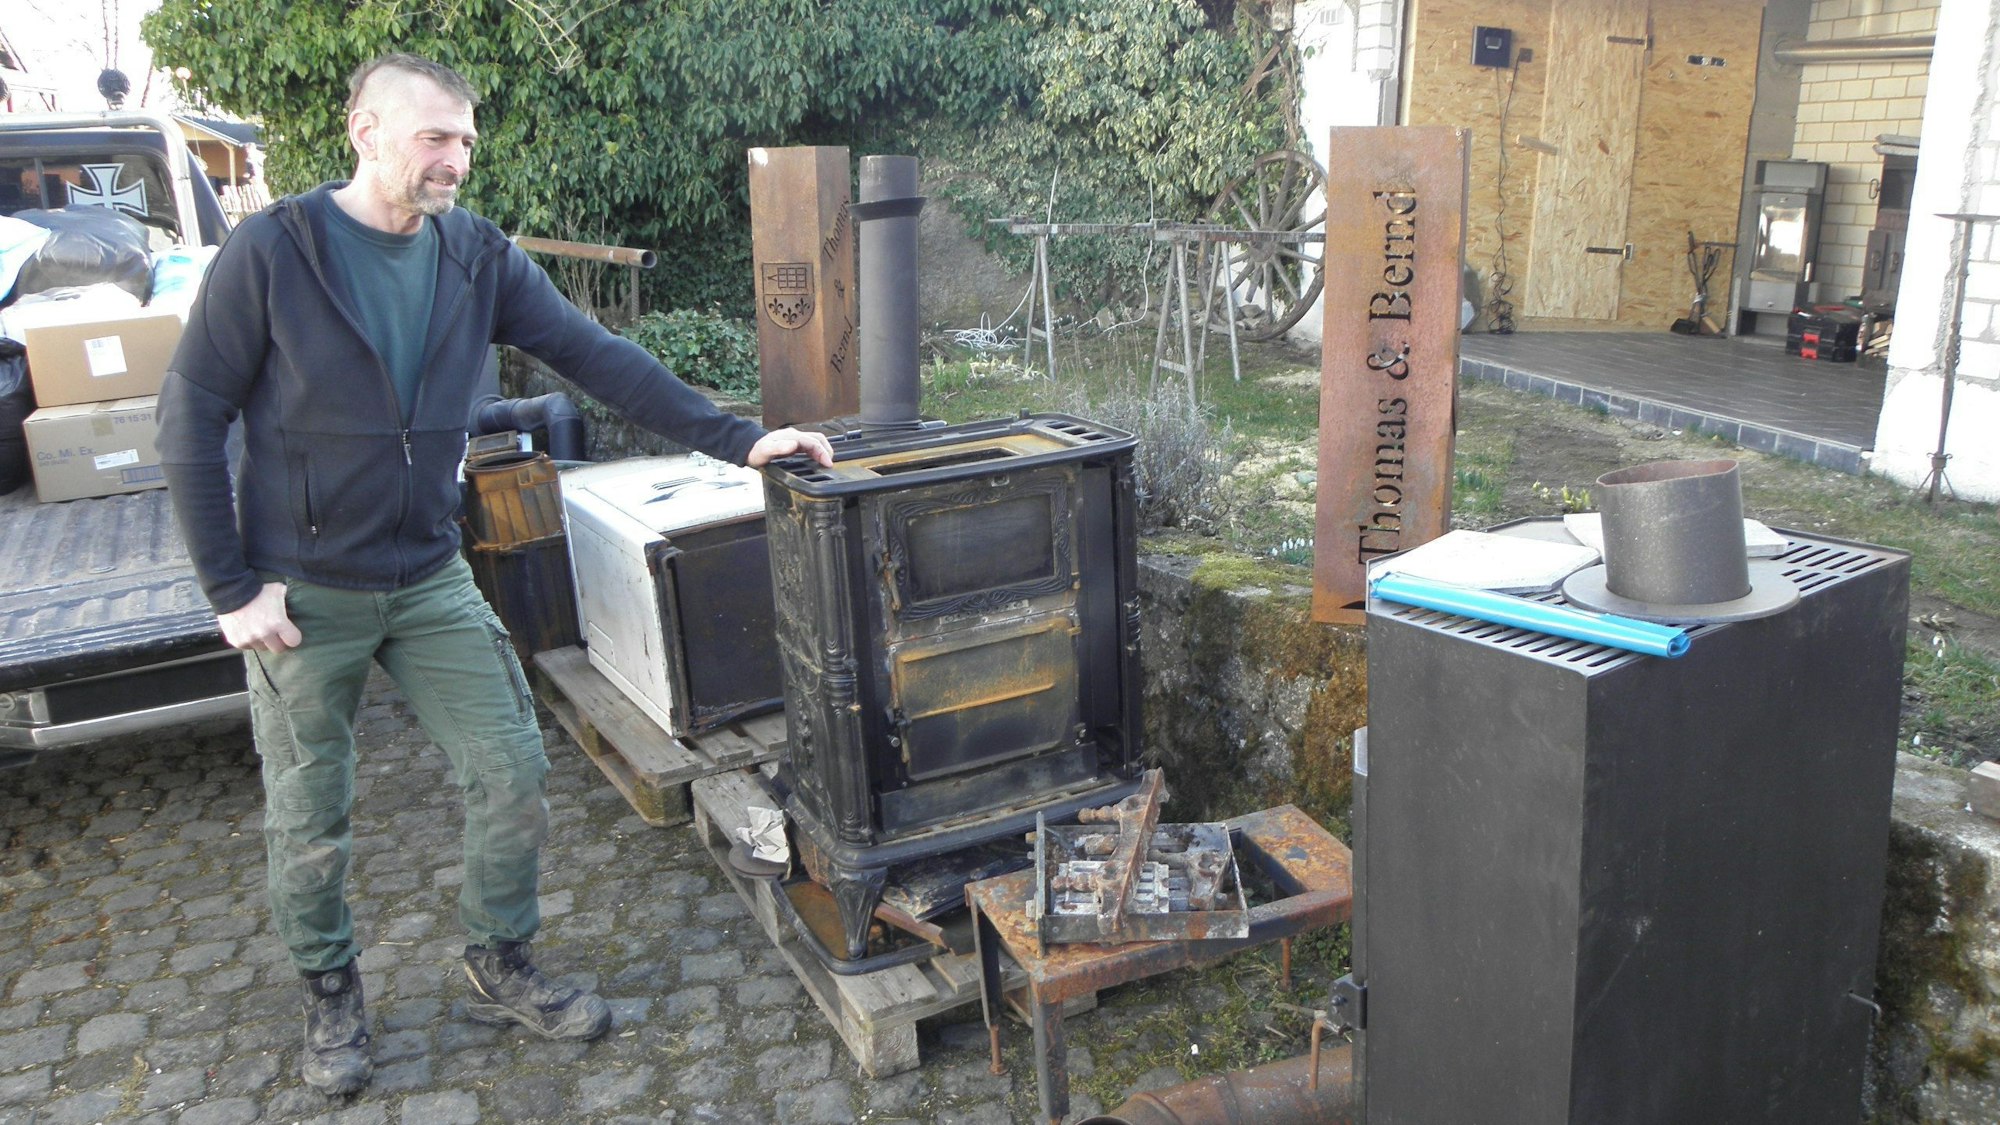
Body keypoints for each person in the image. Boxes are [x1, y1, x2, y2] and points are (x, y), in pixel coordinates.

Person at [155, 53, 833, 1098]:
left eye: (467, 139)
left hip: (428, 573)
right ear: (366, 131)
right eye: (436, 137)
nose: (458, 159)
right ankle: (329, 987)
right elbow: (190, 414)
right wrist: (230, 589)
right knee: (308, 812)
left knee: (512, 769)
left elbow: (595, 354)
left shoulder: (474, 255)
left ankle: (498, 957)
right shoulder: (273, 252)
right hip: (302, 592)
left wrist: (736, 439)